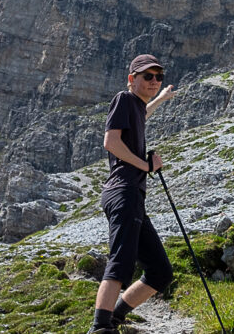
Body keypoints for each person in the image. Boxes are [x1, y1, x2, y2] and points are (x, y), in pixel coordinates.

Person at [89, 54, 177, 334]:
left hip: (133, 195)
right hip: (123, 191)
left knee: (160, 272)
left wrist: (160, 99)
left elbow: (142, 115)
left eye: (158, 76)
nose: (154, 81)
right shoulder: (124, 100)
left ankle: (114, 318)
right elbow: (111, 142)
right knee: (121, 259)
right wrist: (146, 165)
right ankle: (100, 327)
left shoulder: (136, 108)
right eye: (147, 76)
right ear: (132, 80)